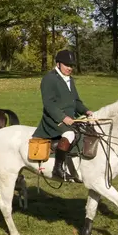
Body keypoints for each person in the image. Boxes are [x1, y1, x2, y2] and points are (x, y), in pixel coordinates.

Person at [32, 49, 93, 183]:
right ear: (58, 64)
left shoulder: (70, 79)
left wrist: (87, 112)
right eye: (67, 65)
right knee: (69, 135)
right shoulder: (49, 79)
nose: (70, 68)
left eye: (71, 66)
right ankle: (57, 169)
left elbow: (76, 101)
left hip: (70, 118)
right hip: (52, 120)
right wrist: (63, 118)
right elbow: (48, 104)